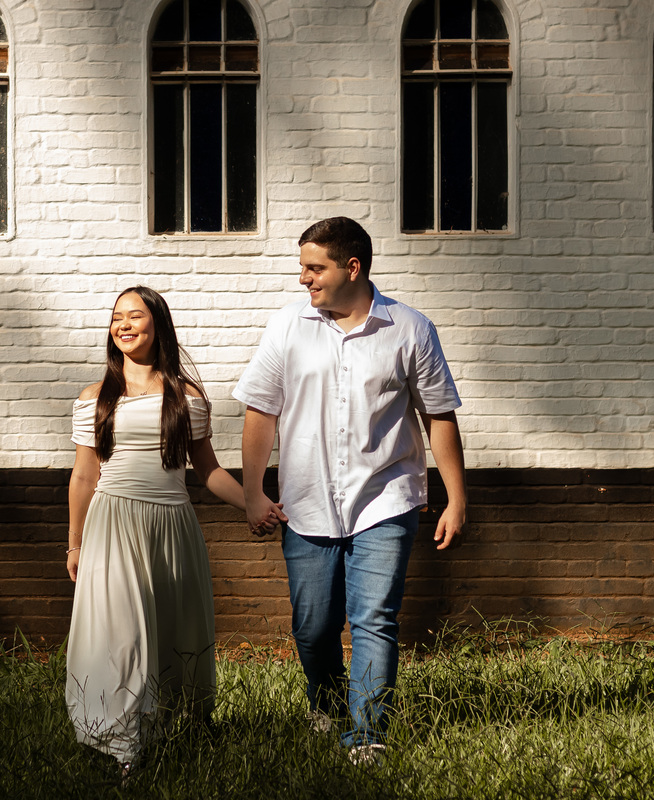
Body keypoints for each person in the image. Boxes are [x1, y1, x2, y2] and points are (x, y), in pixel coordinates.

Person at [233, 217, 467, 759]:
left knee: (374, 619)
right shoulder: (289, 325)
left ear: (352, 268)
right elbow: (260, 411)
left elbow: (439, 416)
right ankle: (327, 702)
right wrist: (251, 491)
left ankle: (367, 735)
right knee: (313, 628)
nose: (303, 280)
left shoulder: (409, 329)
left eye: (314, 269)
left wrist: (456, 498)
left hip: (386, 498)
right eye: (302, 268)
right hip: (306, 500)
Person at [65, 286, 281, 771]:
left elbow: (208, 471)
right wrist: (74, 543)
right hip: (113, 525)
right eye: (116, 317)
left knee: (166, 630)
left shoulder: (186, 398)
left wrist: (254, 502)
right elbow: (84, 476)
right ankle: (120, 743)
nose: (123, 324)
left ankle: (167, 728)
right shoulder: (93, 398)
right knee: (121, 632)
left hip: (171, 526)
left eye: (134, 315)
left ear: (157, 323)